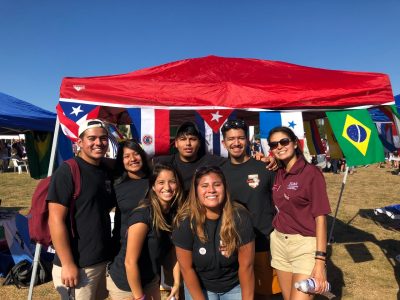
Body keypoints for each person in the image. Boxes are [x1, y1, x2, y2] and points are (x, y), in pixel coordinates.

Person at [47, 119, 116, 300]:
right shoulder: (68, 171)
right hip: (78, 264)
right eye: (91, 138)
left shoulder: (105, 169)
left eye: (103, 138)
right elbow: (55, 220)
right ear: (79, 142)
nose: (98, 143)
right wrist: (68, 263)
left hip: (102, 260)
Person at [267, 126, 331, 300]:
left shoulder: (311, 174)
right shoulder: (278, 172)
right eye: (273, 145)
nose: (279, 146)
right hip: (279, 243)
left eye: (284, 141)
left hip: (304, 246)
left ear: (295, 143)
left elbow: (321, 218)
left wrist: (320, 261)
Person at [173, 166, 255, 300]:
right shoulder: (185, 222)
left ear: (225, 187)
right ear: (196, 191)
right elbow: (186, 269)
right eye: (204, 186)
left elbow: (247, 266)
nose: (211, 190)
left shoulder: (240, 217)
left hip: (234, 286)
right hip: (200, 286)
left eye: (217, 184)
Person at [221, 119, 279, 299]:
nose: (236, 143)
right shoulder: (219, 172)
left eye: (240, 138)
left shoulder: (266, 168)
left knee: (267, 294)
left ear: (248, 140)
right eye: (231, 139)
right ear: (224, 142)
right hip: (233, 245)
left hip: (264, 243)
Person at [108, 163, 183, 300]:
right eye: (161, 182)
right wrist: (139, 297)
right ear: (153, 187)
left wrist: (176, 283)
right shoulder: (143, 215)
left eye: (172, 182)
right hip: (126, 285)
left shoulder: (172, 213)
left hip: (150, 279)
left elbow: (172, 252)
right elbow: (130, 262)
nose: (167, 187)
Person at [155, 121, 276, 195]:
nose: (188, 143)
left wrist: (264, 159)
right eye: (183, 139)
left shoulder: (213, 162)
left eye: (192, 139)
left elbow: (238, 163)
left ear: (200, 143)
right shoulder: (164, 162)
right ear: (175, 143)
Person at [109, 139, 151, 255]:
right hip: (122, 250)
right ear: (121, 161)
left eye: (136, 154)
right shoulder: (116, 186)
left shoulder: (156, 182)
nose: (132, 159)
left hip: (151, 250)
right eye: (126, 156)